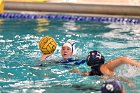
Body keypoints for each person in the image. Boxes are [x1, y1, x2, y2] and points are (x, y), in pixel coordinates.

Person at [70, 50, 140, 87]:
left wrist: (128, 81)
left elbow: (122, 59)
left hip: (117, 81)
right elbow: (88, 73)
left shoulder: (105, 67)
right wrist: (78, 72)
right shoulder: (97, 70)